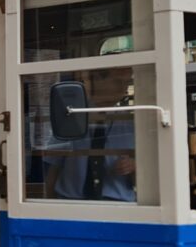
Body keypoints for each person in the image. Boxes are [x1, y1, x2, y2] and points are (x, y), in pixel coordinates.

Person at [48, 68, 136, 202]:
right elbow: (53, 166)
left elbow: (147, 177)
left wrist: (134, 166)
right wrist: (50, 203)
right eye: (117, 82)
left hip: (118, 204)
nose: (123, 89)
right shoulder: (71, 115)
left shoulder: (131, 123)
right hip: (71, 202)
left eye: (127, 83)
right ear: (98, 80)